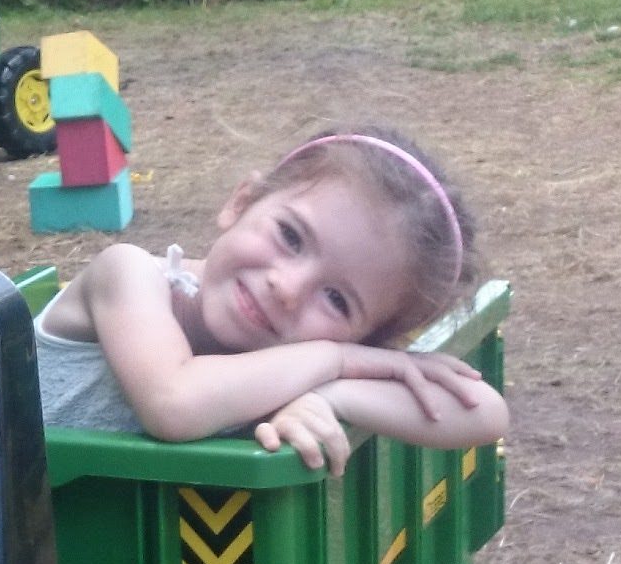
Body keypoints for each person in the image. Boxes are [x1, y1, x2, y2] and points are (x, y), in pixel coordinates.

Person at [33, 124, 507, 464]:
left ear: (365, 338)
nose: (287, 288)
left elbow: (484, 413)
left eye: (338, 301)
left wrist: (331, 397)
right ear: (241, 202)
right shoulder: (129, 274)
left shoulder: (294, 365)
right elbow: (171, 402)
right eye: (291, 237)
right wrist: (336, 359)